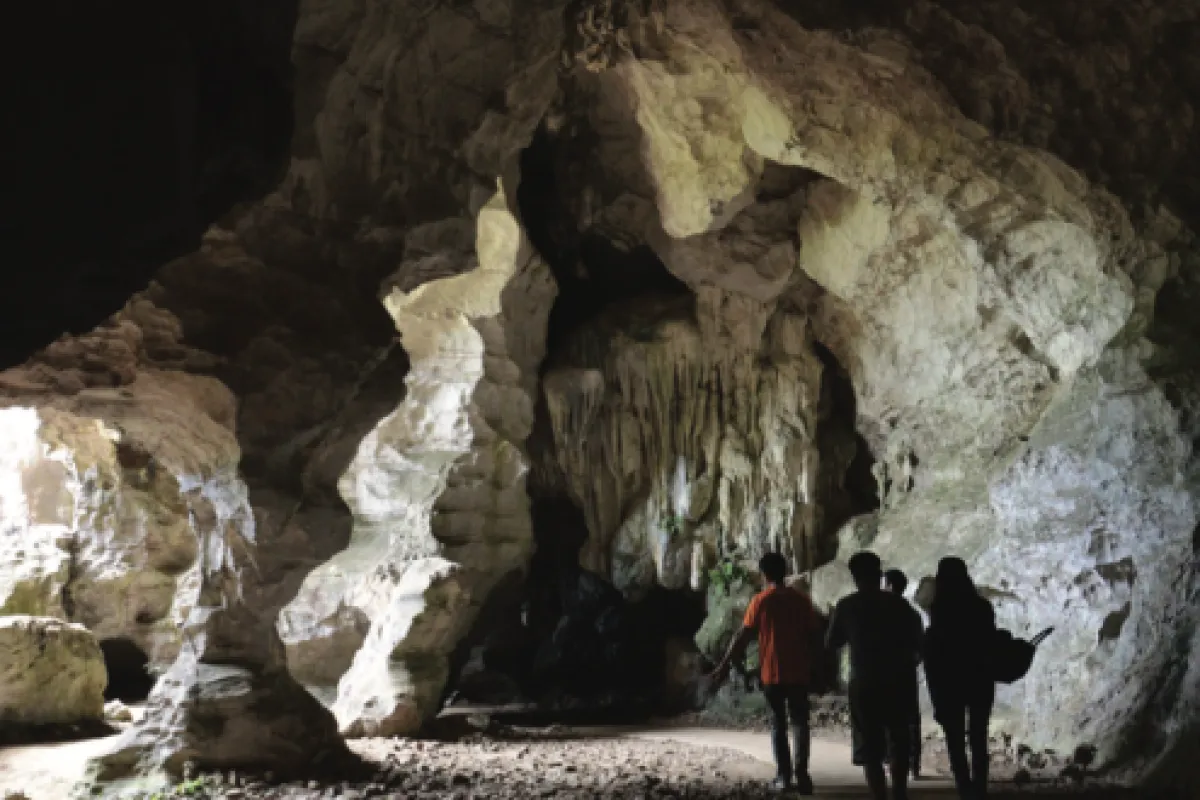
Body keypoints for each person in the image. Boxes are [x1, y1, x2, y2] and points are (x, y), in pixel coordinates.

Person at [709, 552, 821, 793]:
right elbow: (814, 636)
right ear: (785, 570)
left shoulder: (761, 601)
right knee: (801, 723)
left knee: (778, 724)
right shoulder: (801, 600)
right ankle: (802, 775)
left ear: (764, 574)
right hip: (799, 671)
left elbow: (743, 636)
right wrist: (814, 665)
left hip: (773, 673)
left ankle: (783, 776)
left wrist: (724, 665)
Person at [826, 552, 923, 800]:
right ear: (879, 574)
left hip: (865, 682)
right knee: (899, 740)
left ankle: (880, 796)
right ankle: (899, 793)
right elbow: (919, 643)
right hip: (898, 681)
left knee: (870, 746)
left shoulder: (847, 606)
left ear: (855, 577)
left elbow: (831, 642)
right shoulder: (900, 605)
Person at [923, 557, 997, 800]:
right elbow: (989, 642)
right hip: (979, 677)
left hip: (949, 682)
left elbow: (935, 650)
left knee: (954, 738)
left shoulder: (939, 609)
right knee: (978, 736)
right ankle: (980, 789)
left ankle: (965, 788)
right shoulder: (982, 607)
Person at [884, 568, 923, 780]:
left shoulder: (881, 614)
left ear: (889, 586)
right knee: (910, 720)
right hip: (906, 671)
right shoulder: (913, 614)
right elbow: (921, 647)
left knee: (888, 719)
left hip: (886, 673)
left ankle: (892, 763)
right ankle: (913, 765)